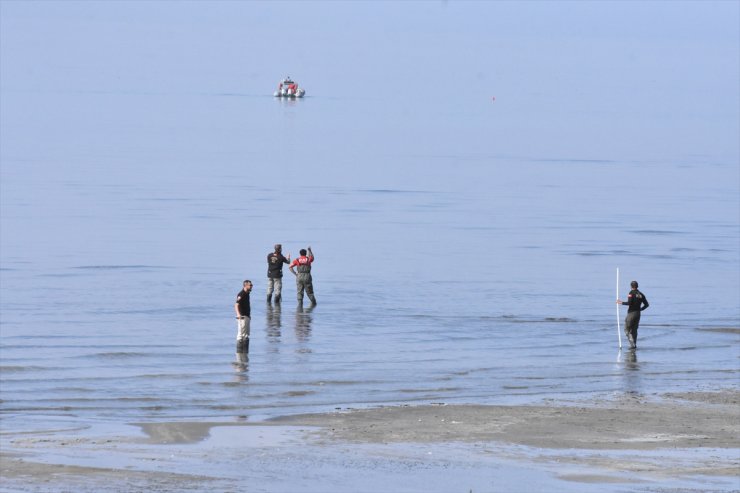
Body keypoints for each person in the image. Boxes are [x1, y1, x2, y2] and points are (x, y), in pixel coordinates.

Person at [617, 280, 649, 349]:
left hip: (631, 313)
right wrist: (641, 309)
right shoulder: (641, 294)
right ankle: (634, 345)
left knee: (626, 329)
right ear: (637, 286)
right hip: (638, 314)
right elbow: (647, 305)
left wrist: (621, 302)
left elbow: (629, 303)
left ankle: (632, 343)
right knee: (634, 329)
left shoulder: (631, 293)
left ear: (631, 286)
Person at [234, 280, 253, 352]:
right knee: (241, 335)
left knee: (246, 335)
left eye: (251, 285)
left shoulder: (247, 293)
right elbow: (236, 305)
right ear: (245, 286)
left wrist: (249, 315)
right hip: (242, 317)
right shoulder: (241, 294)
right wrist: (238, 314)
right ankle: (239, 354)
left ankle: (244, 354)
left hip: (247, 316)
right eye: (250, 285)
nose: (251, 287)